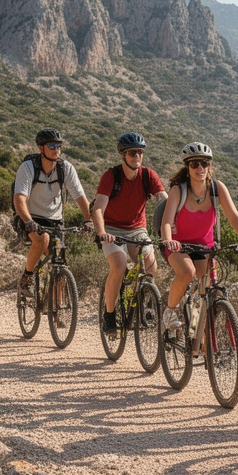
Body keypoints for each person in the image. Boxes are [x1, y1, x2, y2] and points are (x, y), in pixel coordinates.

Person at [159, 142, 238, 329]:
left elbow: (234, 216)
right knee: (188, 272)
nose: (200, 168)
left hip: (204, 247)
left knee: (204, 294)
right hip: (178, 246)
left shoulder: (217, 189)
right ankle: (170, 311)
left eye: (204, 163)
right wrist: (168, 240)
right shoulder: (178, 191)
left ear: (209, 166)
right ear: (187, 168)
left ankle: (200, 338)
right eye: (194, 164)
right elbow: (166, 221)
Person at [90, 132, 167, 335]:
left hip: (137, 229)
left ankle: (143, 303)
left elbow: (163, 200)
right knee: (119, 265)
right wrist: (101, 232)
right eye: (132, 153)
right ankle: (109, 314)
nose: (137, 156)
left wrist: (171, 224)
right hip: (112, 229)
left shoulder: (148, 175)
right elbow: (98, 208)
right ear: (122, 155)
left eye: (140, 152)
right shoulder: (111, 176)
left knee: (150, 267)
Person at [13, 128, 94, 288]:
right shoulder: (28, 167)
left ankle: (55, 310)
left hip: (56, 220)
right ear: (41, 148)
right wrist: (29, 221)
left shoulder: (65, 168)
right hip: (31, 217)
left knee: (60, 261)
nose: (56, 149)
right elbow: (19, 199)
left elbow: (80, 196)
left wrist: (88, 220)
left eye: (58, 146)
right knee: (43, 240)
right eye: (51, 146)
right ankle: (27, 277)